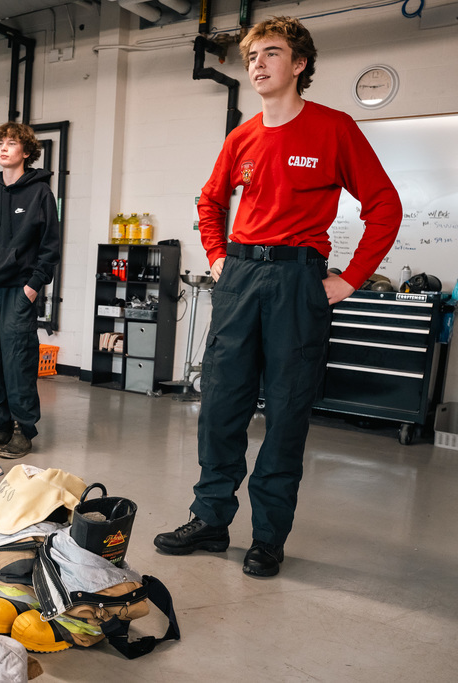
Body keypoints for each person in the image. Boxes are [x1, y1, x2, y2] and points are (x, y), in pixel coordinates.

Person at [153, 17, 401, 577]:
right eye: (251, 56)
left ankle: (268, 536)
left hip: (298, 282)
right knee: (220, 408)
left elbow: (385, 205)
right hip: (239, 277)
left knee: (287, 413)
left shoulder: (334, 130)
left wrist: (350, 279)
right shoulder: (241, 137)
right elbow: (210, 201)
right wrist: (218, 258)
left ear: (300, 64)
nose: (257, 64)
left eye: (271, 53)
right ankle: (211, 520)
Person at [0, 123, 61, 458]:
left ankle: (24, 430)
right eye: (0, 144)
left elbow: (50, 247)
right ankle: (0, 424)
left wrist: (33, 287)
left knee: (18, 358)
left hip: (19, 290)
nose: (4, 149)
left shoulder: (40, 194)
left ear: (26, 152)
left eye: (12, 144)